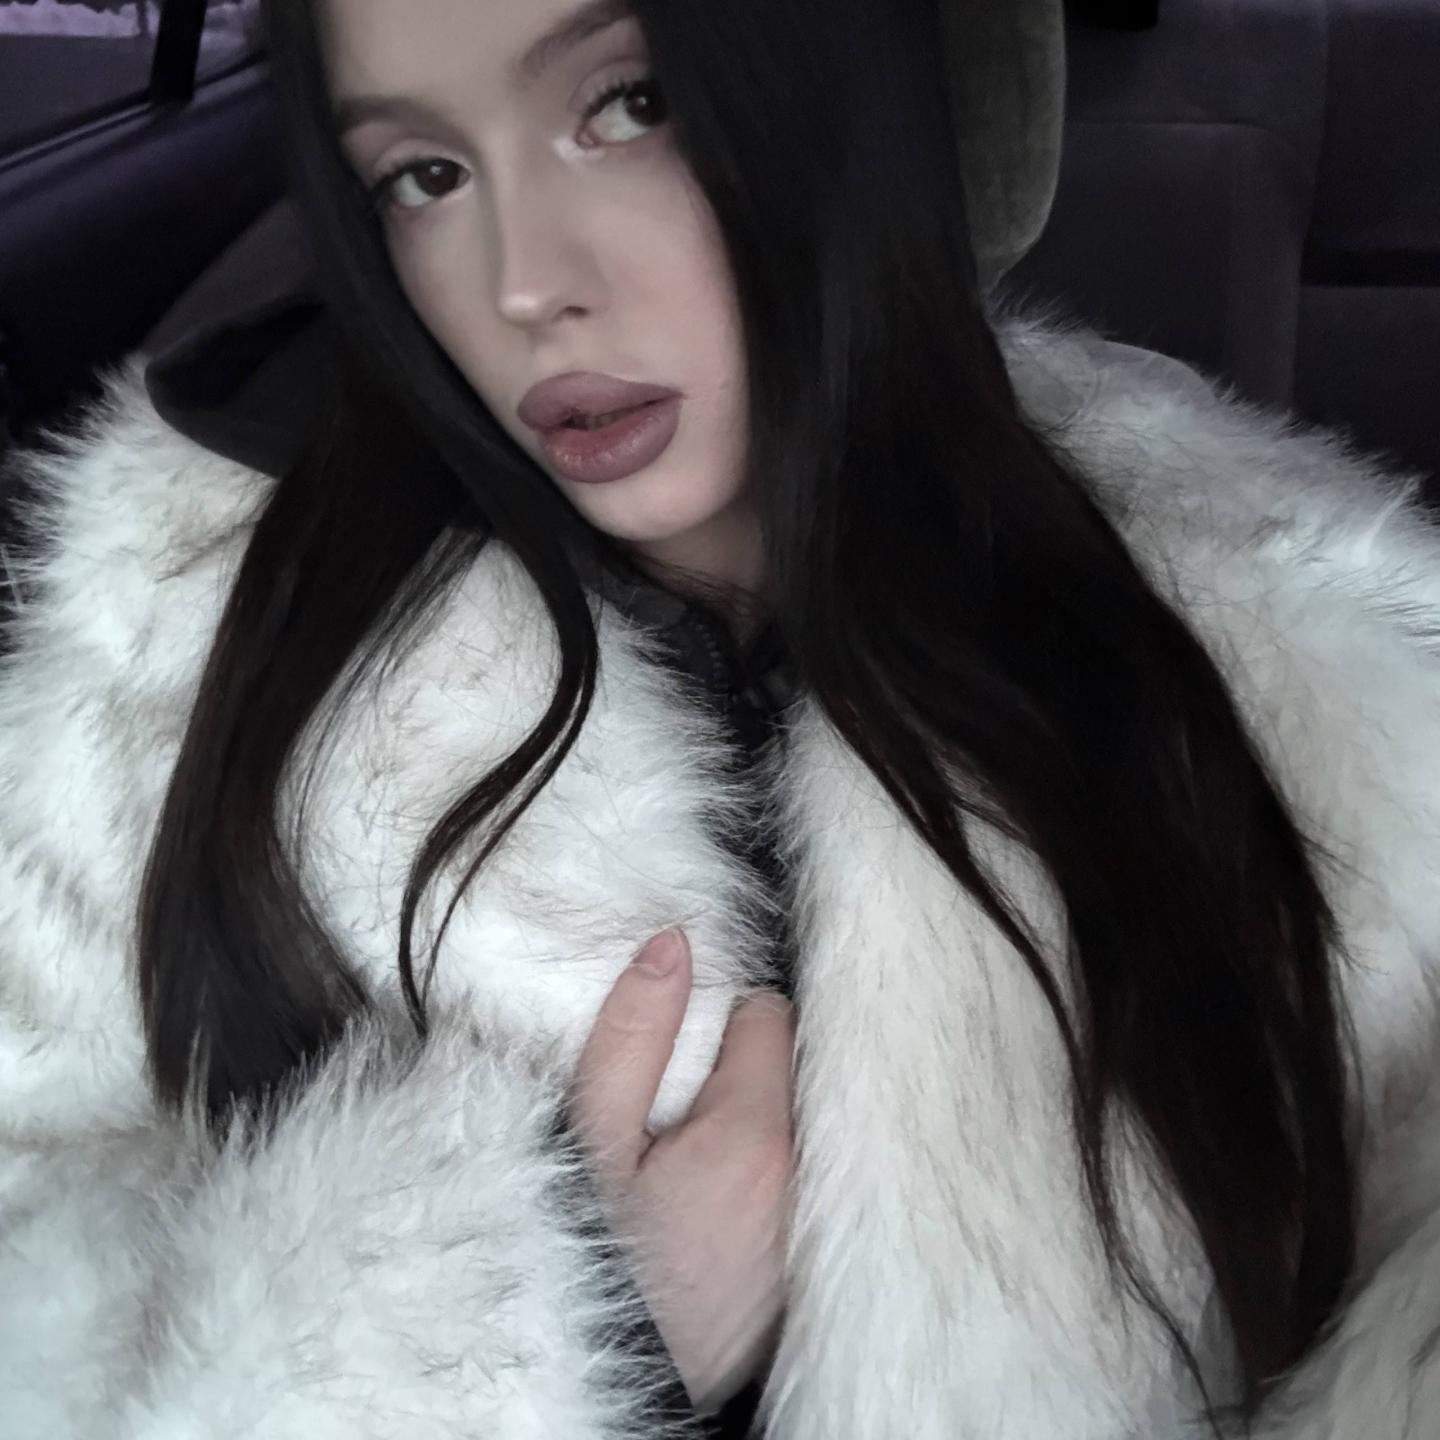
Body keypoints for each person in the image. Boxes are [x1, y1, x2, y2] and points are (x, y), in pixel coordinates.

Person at [1, 0, 1437, 1435]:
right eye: (424, 175)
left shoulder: (1282, 667)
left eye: (631, 105)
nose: (524, 286)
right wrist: (572, 1321)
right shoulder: (189, 634)